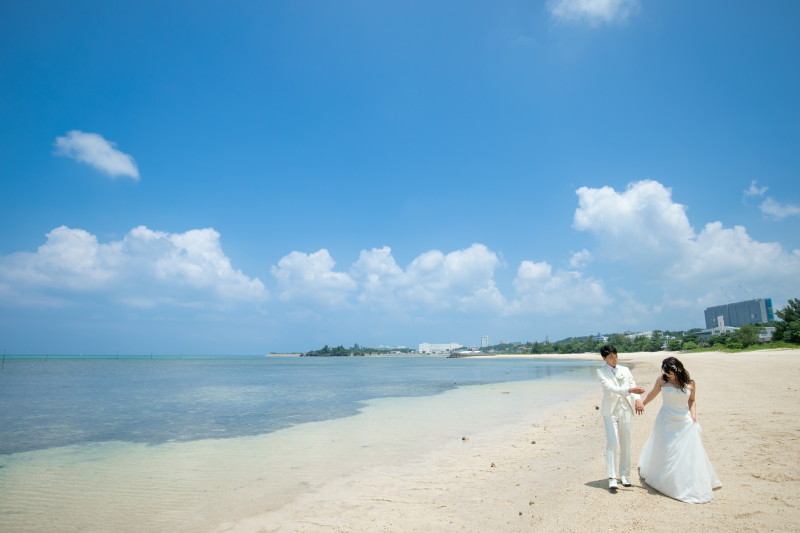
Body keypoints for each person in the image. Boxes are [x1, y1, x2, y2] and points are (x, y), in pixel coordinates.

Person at [637, 356, 722, 503]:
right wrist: (643, 403)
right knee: (667, 448)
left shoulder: (690, 383)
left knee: (684, 450)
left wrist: (693, 414)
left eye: (671, 373)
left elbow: (692, 400)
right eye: (667, 373)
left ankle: (684, 478)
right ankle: (666, 477)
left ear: (679, 370)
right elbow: (652, 393)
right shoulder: (662, 380)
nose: (669, 376)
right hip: (666, 419)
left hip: (683, 419)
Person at [596, 344, 645, 490]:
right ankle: (612, 477)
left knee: (626, 441)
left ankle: (624, 475)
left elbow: (632, 384)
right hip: (610, 410)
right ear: (604, 358)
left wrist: (637, 398)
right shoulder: (601, 372)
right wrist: (628, 390)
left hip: (625, 408)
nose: (615, 359)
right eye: (611, 357)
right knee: (613, 441)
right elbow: (610, 388)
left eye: (616, 356)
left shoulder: (625, 370)